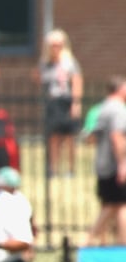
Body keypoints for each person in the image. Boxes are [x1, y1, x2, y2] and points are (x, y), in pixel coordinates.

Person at [37, 30, 84, 178]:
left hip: (67, 101)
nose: (55, 48)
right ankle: (53, 169)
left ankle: (70, 170)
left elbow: (77, 83)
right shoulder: (45, 63)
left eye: (58, 45)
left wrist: (76, 104)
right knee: (53, 137)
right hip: (52, 102)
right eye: (52, 45)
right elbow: (41, 80)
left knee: (69, 137)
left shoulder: (70, 62)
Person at [89, 76, 126, 246]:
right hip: (113, 166)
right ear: (120, 89)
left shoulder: (102, 108)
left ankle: (119, 244)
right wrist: (122, 164)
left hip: (103, 164)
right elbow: (117, 137)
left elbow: (91, 137)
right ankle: (88, 242)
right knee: (116, 205)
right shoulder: (118, 109)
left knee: (115, 205)